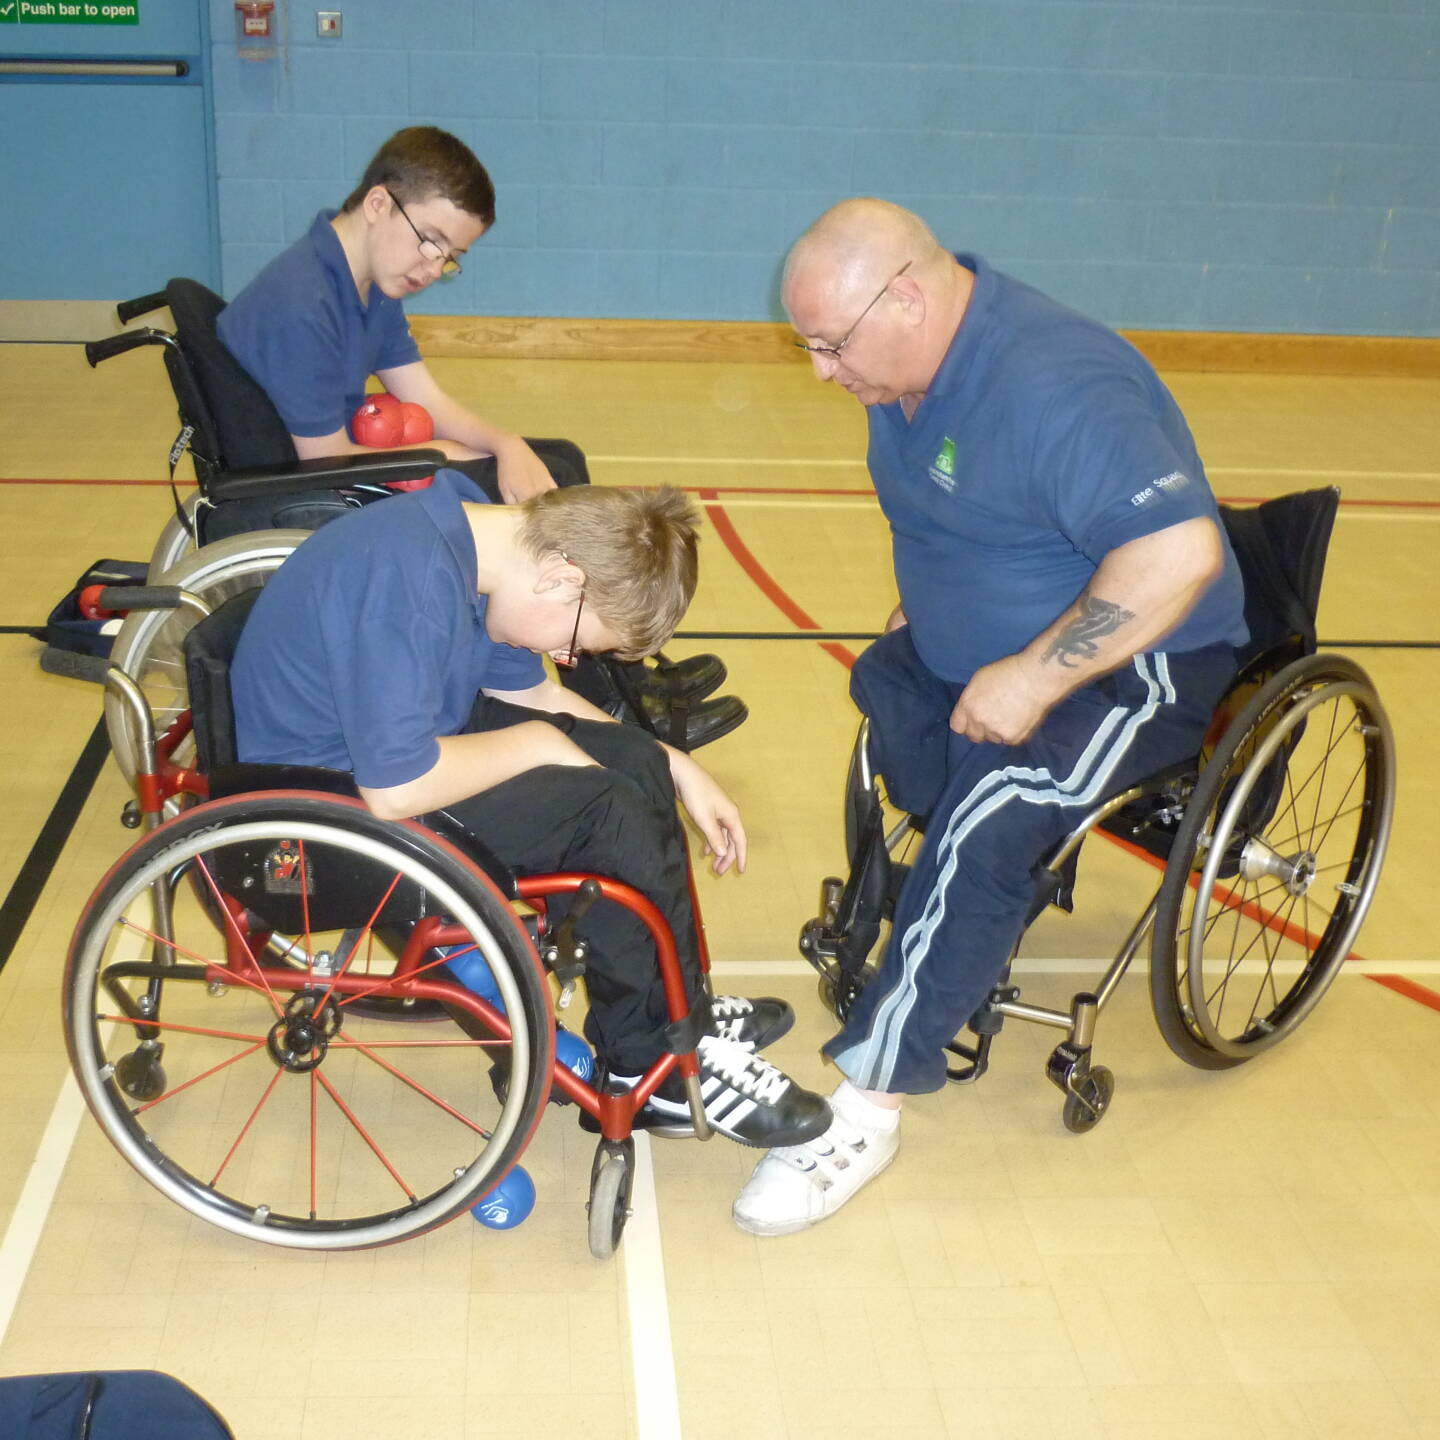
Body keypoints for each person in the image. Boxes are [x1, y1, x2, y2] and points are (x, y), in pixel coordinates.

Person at [733, 199, 1248, 1234]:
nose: (824, 373)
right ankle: (977, 905)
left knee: (992, 810)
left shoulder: (1056, 384)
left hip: (1139, 662)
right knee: (885, 692)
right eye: (810, 348)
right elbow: (953, 502)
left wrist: (1031, 674)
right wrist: (936, 602)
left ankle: (866, 1113)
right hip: (982, 648)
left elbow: (1177, 556)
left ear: (907, 296)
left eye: (830, 346)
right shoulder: (908, 366)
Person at [230, 469, 831, 1148]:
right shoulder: (409, 578)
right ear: (561, 578)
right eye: (576, 643)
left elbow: (535, 698)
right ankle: (652, 1074)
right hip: (319, 823)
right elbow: (397, 788)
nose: (565, 659)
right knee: (604, 814)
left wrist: (674, 763)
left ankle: (678, 1012)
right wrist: (537, 747)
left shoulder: (474, 541)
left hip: (395, 747)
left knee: (632, 762)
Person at [217, 124, 743, 750]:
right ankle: (619, 700)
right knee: (516, 492)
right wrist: (451, 457)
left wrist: (505, 442)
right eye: (431, 243)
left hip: (347, 463)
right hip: (313, 485)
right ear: (381, 204)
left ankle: (622, 671)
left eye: (450, 256)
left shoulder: (368, 283)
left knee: (554, 462)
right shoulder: (302, 300)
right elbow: (323, 456)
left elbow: (426, 399)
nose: (434, 268)